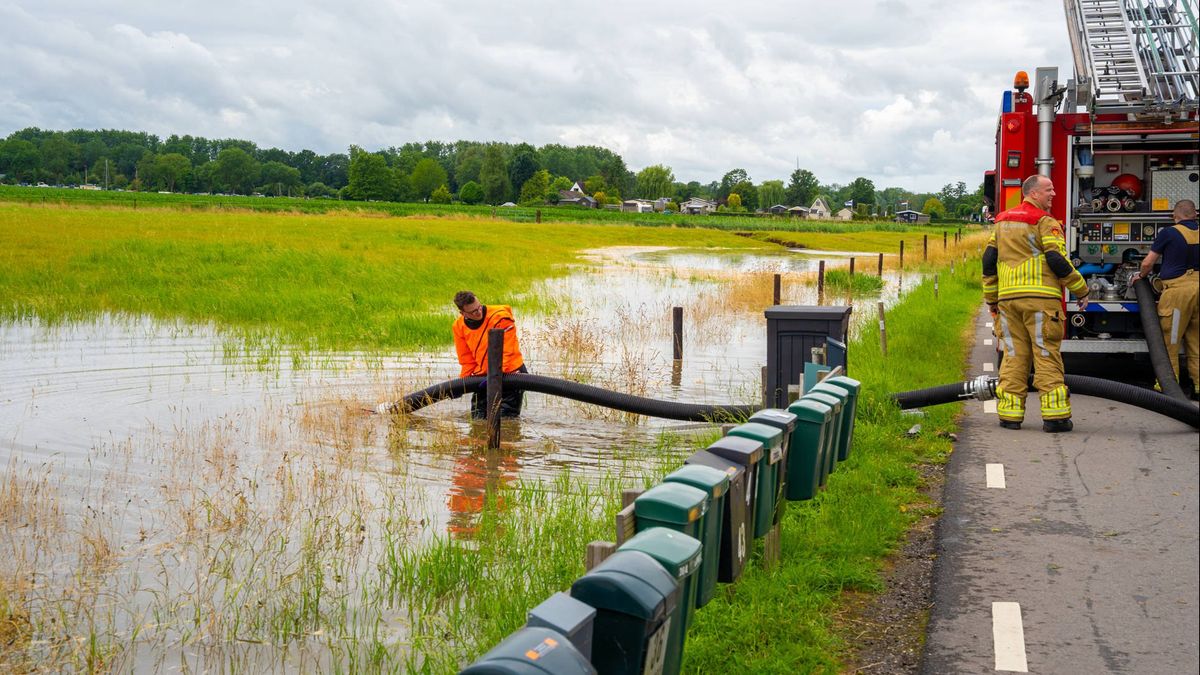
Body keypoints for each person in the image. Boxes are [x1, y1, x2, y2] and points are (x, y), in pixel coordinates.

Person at [982, 174, 1089, 432]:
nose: (1053, 194)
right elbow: (1056, 260)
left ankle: (1009, 416)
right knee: (1045, 354)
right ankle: (1056, 418)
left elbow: (988, 261)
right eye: (1049, 190)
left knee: (1013, 356)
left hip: (1008, 301)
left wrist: (992, 299)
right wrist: (1080, 289)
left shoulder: (1002, 222)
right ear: (1033, 193)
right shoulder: (1045, 222)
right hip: (1041, 300)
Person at [1130, 199, 1199, 398]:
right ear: (1195, 215)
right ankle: (1198, 387)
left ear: (1175, 216)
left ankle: (1168, 385)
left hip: (1178, 292)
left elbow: (1148, 262)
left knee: (1171, 340)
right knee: (1196, 341)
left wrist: (1140, 276)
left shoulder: (1169, 233)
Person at [452, 290, 528, 419]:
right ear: (462, 313)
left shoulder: (500, 317)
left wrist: (494, 376)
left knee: (505, 421)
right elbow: (467, 360)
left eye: (479, 307)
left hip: (511, 375)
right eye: (473, 311)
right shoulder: (459, 326)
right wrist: (461, 384)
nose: (479, 312)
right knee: (477, 418)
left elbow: (506, 352)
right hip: (483, 378)